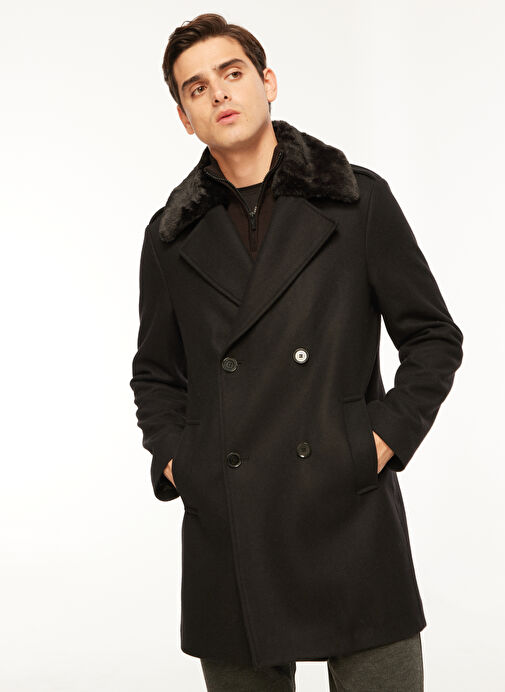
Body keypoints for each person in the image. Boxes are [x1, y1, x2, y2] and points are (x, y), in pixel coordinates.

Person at [129, 12, 463, 691]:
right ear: (185, 117)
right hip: (231, 524)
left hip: (348, 507)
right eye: (197, 88)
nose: (219, 93)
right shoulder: (169, 236)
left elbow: (432, 337)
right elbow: (156, 374)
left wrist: (377, 440)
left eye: (232, 73)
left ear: (267, 82)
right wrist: (180, 460)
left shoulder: (357, 201)